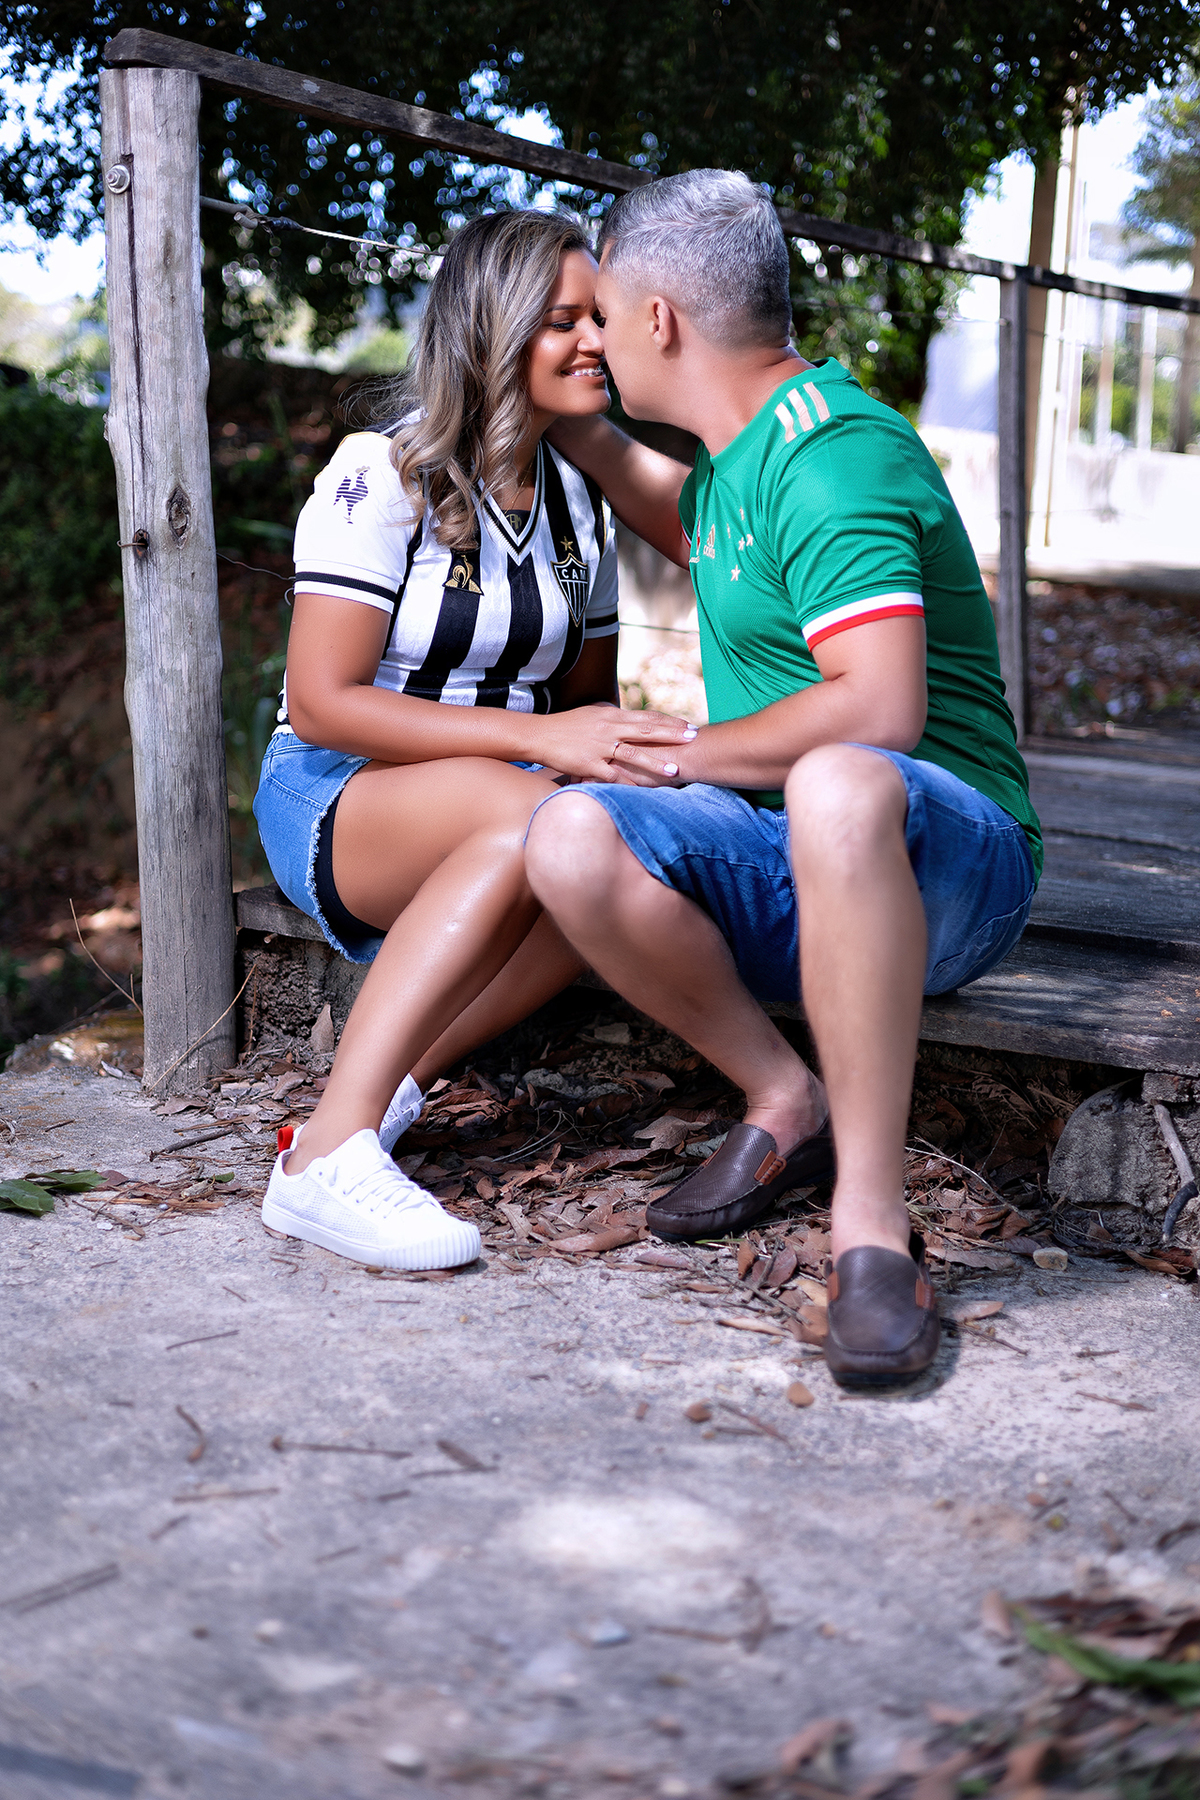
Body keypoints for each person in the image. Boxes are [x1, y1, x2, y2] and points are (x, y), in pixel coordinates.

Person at [525, 170, 1041, 1387]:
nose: (593, 339)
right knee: (569, 836)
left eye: (604, 314)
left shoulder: (835, 453)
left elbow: (878, 709)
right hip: (789, 857)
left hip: (947, 866)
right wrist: (573, 428)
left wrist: (679, 750)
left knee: (838, 780)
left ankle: (871, 1226)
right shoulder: (736, 467)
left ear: (659, 321)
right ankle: (783, 1096)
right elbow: (694, 526)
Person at [253, 210, 694, 1272]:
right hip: (342, 789)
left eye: (601, 318)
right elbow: (323, 704)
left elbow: (583, 706)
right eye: (563, 321)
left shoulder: (579, 506)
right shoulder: (386, 470)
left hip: (500, 794)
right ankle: (322, 1161)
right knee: (545, 819)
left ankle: (379, 1098)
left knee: (614, 838)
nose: (596, 339)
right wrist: (538, 747)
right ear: (495, 328)